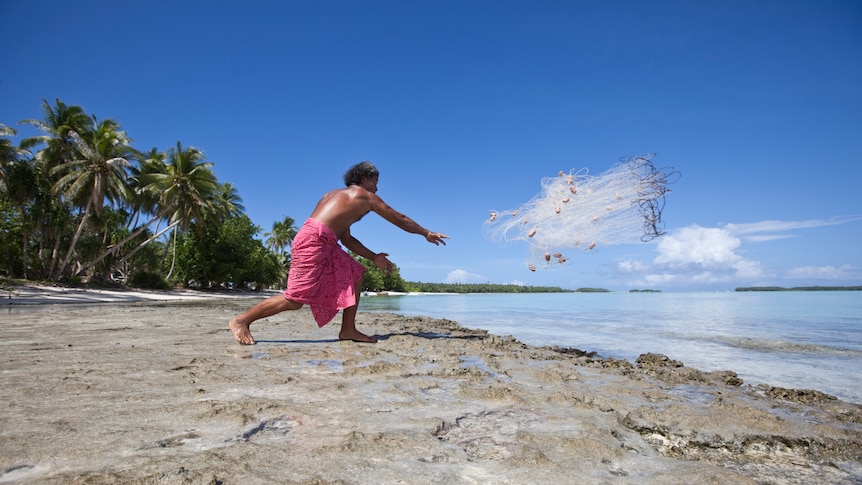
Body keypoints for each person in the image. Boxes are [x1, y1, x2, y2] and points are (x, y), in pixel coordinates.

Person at [229, 161, 448, 344]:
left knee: (355, 273)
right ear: (364, 178)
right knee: (295, 300)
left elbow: (346, 239)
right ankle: (242, 320)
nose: (377, 189)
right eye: (375, 182)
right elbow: (398, 218)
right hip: (314, 240)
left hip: (323, 240)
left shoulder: (335, 196)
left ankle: (348, 330)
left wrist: (373, 257)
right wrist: (425, 232)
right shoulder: (364, 196)